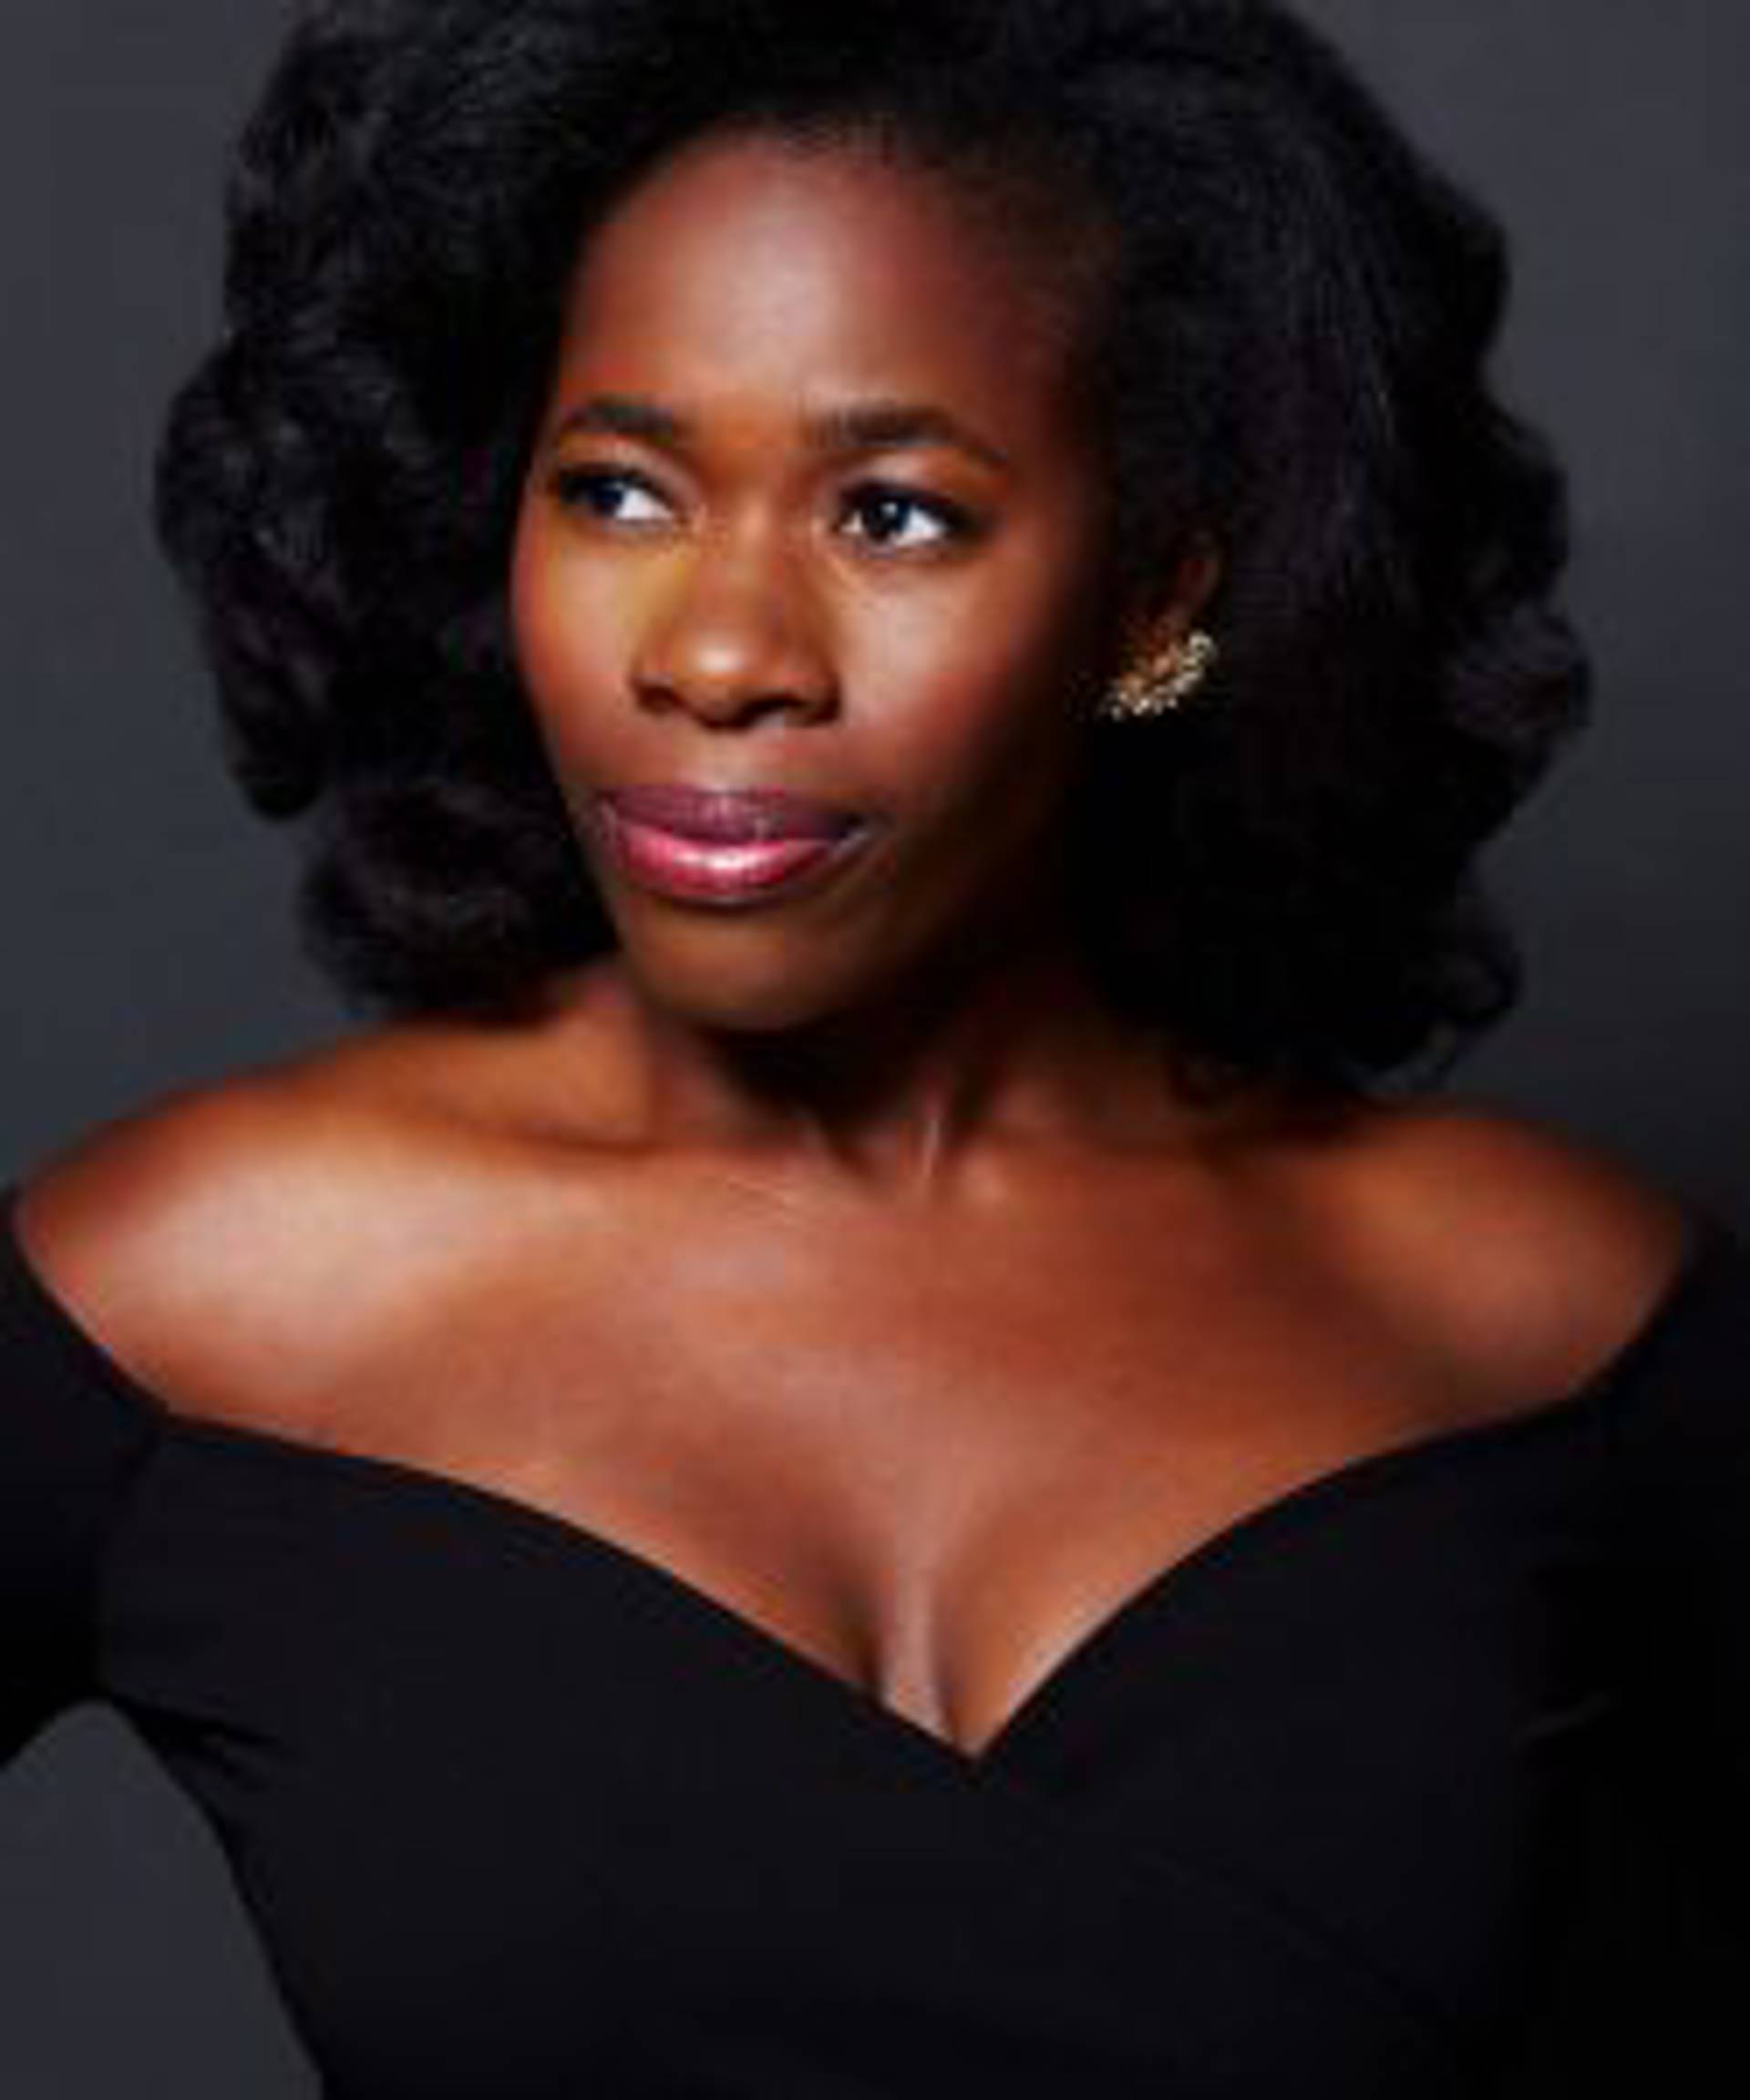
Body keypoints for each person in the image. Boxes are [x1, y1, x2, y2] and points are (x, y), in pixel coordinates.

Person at [3, 0, 1745, 2091]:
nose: (720, 653)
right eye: (621, 491)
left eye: (894, 515)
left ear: (1152, 596)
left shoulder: (1543, 1322)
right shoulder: (197, 1297)